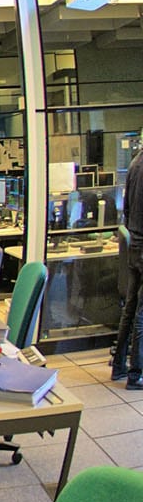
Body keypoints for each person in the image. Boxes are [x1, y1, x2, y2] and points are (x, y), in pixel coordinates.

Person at [117, 151, 143, 390]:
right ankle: (136, 375)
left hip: (135, 243)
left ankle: (119, 366)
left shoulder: (135, 162)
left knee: (131, 308)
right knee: (141, 314)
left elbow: (125, 208)